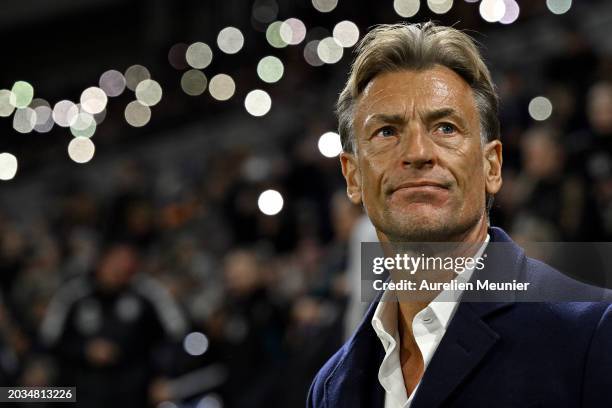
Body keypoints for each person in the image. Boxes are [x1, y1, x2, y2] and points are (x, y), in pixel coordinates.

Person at [307, 22, 612, 408]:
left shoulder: (593, 334)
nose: (417, 152)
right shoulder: (330, 388)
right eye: (386, 131)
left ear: (492, 167)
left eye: (446, 128)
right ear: (352, 176)